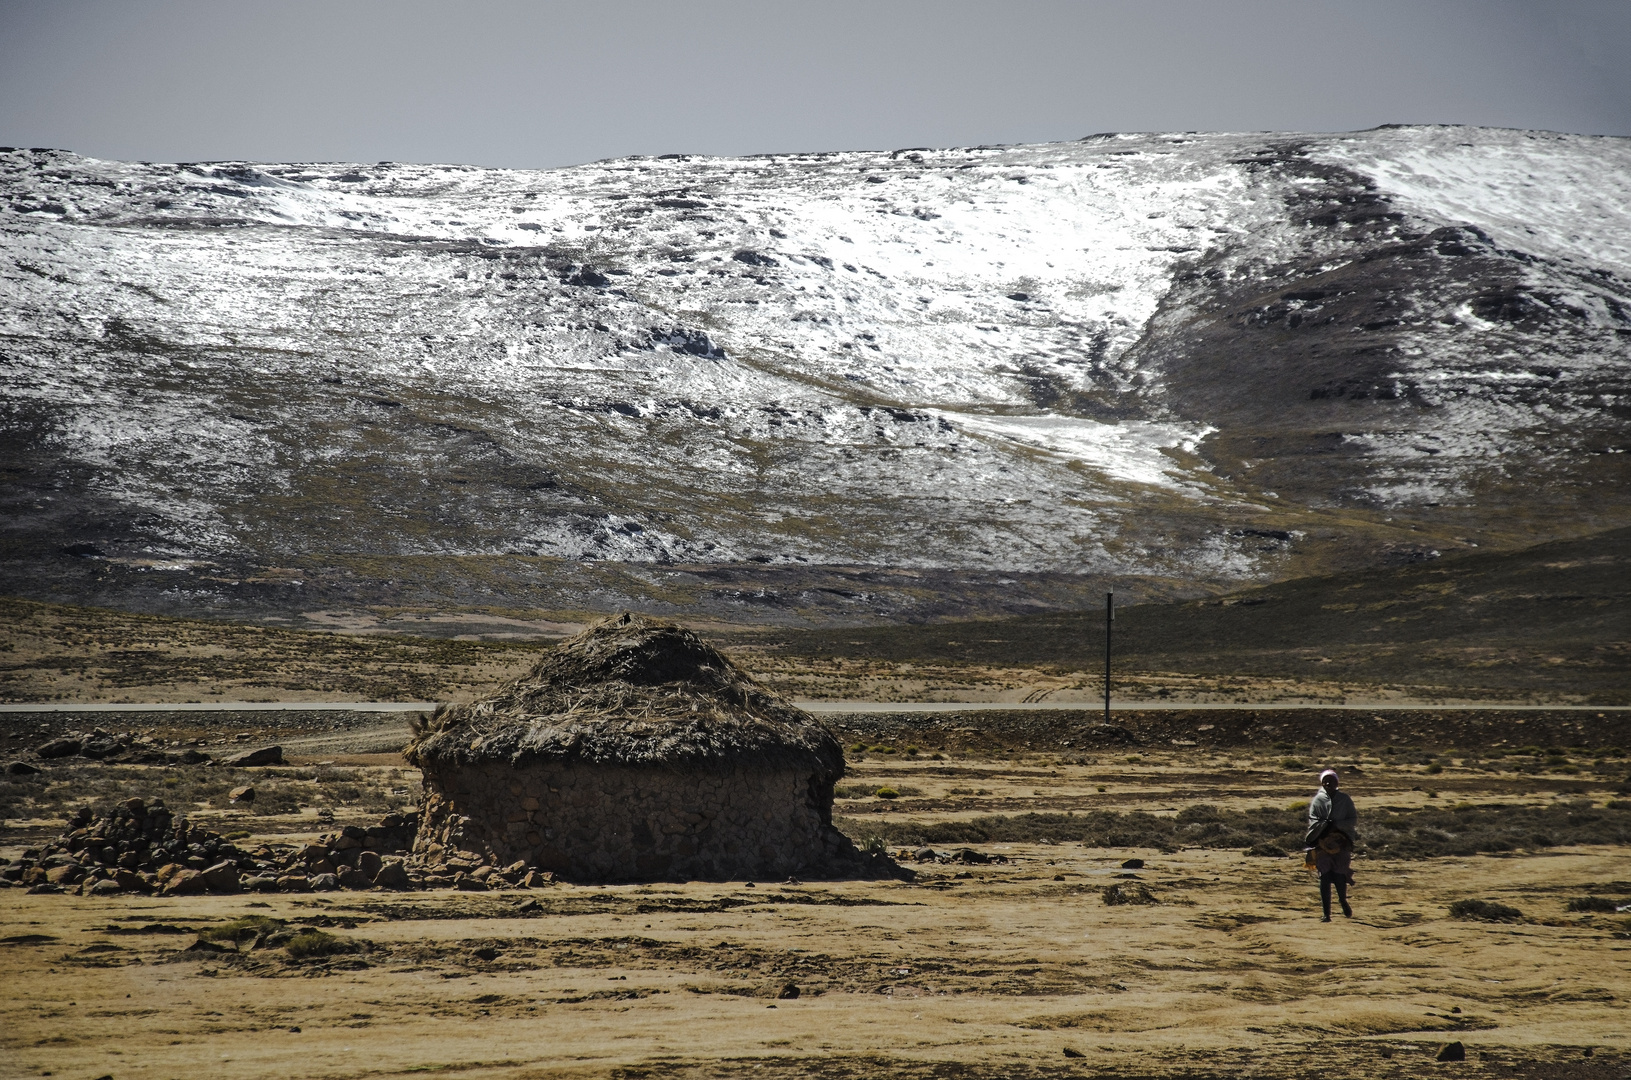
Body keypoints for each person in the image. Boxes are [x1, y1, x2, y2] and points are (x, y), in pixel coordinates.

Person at [1305, 768, 1356, 921]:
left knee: (1340, 875)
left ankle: (1342, 900)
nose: (1328, 783)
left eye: (1331, 781)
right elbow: (1313, 819)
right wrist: (1323, 825)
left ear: (1337, 783)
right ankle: (1326, 913)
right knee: (1324, 876)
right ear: (1321, 783)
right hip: (1322, 843)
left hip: (1341, 842)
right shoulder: (1318, 800)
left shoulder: (1345, 799)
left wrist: (1338, 825)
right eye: (1325, 781)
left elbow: (1352, 819)